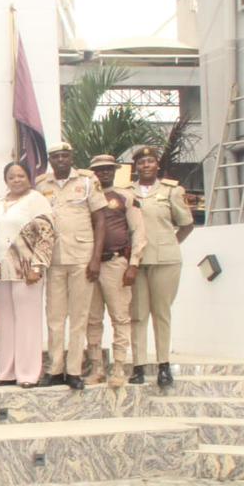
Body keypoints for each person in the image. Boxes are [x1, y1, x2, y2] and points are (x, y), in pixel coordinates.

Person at [34, 142, 106, 391]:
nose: (61, 160)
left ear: (72, 157)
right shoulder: (42, 185)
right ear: (50, 160)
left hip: (81, 258)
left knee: (79, 317)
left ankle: (74, 370)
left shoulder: (87, 181)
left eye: (65, 156)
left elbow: (100, 220)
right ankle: (55, 369)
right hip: (53, 260)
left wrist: (96, 258)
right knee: (54, 317)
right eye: (56, 157)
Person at [128, 145, 194, 386]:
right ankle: (138, 365)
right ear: (135, 167)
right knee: (137, 314)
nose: (146, 165)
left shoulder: (171, 191)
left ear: (157, 165)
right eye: (141, 162)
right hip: (137, 261)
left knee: (161, 313)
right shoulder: (127, 192)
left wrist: (170, 243)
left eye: (150, 161)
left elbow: (186, 223)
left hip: (165, 260)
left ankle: (164, 364)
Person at [84, 154, 147, 388]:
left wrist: (134, 264)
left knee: (120, 317)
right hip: (90, 264)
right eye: (99, 170)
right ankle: (97, 367)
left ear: (114, 171)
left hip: (116, 262)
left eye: (108, 169)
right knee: (92, 318)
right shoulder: (85, 196)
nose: (104, 174)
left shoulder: (125, 197)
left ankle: (119, 366)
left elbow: (138, 231)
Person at [0, 162, 55, 388]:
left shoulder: (36, 199)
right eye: (11, 176)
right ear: (5, 179)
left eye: (21, 175)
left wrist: (38, 266)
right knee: (5, 322)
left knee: (27, 322)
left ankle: (28, 373)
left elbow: (47, 234)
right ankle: (6, 371)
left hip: (27, 268)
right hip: (1, 270)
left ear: (29, 177)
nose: (16, 179)